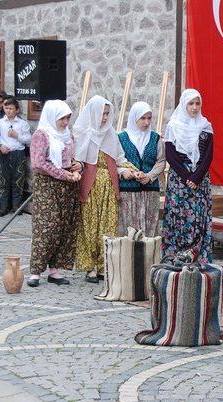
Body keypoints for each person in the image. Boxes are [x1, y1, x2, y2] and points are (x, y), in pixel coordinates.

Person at [74, 95, 137, 283]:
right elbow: (76, 159)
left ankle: (103, 265)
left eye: (107, 114)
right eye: (101, 114)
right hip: (90, 186)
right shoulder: (81, 132)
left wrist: (128, 171)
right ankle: (90, 266)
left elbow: (118, 160)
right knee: (89, 226)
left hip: (108, 185)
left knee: (107, 225)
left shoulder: (111, 134)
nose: (104, 118)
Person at [27, 100, 82, 287]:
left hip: (67, 186)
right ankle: (35, 271)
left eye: (68, 118)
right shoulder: (41, 135)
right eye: (62, 118)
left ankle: (54, 270)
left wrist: (77, 166)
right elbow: (38, 163)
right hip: (48, 185)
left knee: (63, 227)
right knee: (46, 227)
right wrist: (64, 174)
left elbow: (71, 157)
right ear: (52, 116)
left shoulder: (67, 135)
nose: (66, 122)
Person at [162, 89, 214, 263]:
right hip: (179, 181)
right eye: (191, 103)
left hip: (200, 180)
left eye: (197, 103)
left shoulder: (206, 125)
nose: (194, 107)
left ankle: (197, 255)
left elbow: (208, 156)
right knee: (178, 216)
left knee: (199, 217)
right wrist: (187, 177)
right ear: (184, 104)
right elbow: (170, 156)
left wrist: (197, 177)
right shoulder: (173, 125)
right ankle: (176, 255)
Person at [117, 101, 166, 236]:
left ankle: (148, 257)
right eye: (142, 118)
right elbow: (116, 161)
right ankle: (127, 257)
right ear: (134, 118)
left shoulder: (155, 138)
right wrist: (124, 172)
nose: (146, 122)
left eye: (149, 118)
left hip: (150, 191)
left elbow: (161, 161)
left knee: (149, 230)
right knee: (129, 231)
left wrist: (150, 176)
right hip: (128, 192)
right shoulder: (121, 138)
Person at [0, 97, 31, 217]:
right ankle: (3, 207)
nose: (8, 111)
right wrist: (0, 145)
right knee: (3, 180)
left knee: (18, 179)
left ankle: (16, 206)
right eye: (6, 108)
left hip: (18, 153)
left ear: (17, 110)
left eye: (11, 108)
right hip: (4, 153)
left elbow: (29, 139)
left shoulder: (23, 123)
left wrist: (16, 135)